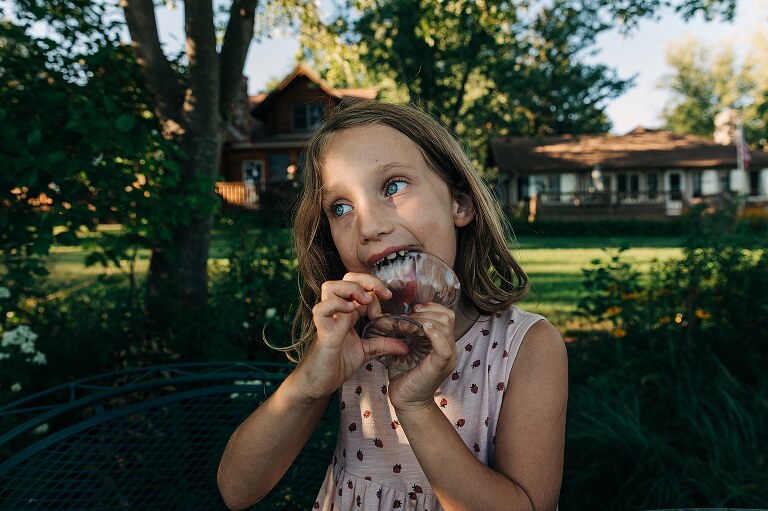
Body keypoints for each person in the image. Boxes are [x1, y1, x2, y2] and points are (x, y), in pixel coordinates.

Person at [217, 99, 568, 511]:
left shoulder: (526, 346)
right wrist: (309, 383)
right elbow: (237, 491)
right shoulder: (351, 338)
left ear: (460, 203)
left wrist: (414, 405)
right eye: (341, 208)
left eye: (394, 186)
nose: (369, 226)